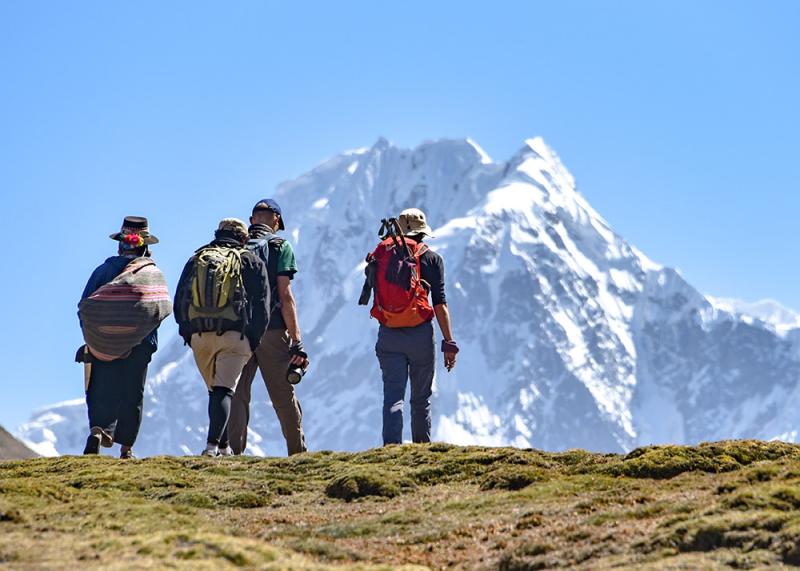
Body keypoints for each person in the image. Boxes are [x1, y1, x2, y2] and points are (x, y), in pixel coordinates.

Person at [174, 218, 269, 457]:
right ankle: (212, 446)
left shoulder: (196, 259)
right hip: (234, 335)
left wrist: (189, 333)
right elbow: (262, 306)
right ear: (243, 238)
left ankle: (224, 447)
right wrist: (252, 340)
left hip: (199, 335)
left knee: (215, 391)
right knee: (223, 391)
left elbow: (179, 302)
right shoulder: (250, 260)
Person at [78, 216, 171, 459]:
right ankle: (126, 448)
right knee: (132, 393)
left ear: (120, 244)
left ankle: (98, 431)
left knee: (102, 388)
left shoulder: (102, 271)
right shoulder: (152, 273)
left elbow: (84, 306)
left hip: (102, 342)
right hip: (140, 343)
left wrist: (93, 337)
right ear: (145, 246)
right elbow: (160, 308)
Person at [363, 208, 459, 445]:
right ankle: (421, 451)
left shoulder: (382, 254)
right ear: (422, 232)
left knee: (393, 397)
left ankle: (391, 450)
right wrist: (449, 342)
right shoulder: (431, 258)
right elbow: (440, 303)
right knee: (420, 399)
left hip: (389, 333)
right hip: (421, 335)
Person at [228, 199, 309, 456]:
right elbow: (286, 297)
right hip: (271, 331)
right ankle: (297, 453)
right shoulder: (279, 246)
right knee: (283, 395)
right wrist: (296, 341)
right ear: (276, 221)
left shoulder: (234, 247)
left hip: (236, 332)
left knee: (238, 393)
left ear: (252, 220)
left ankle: (234, 453)